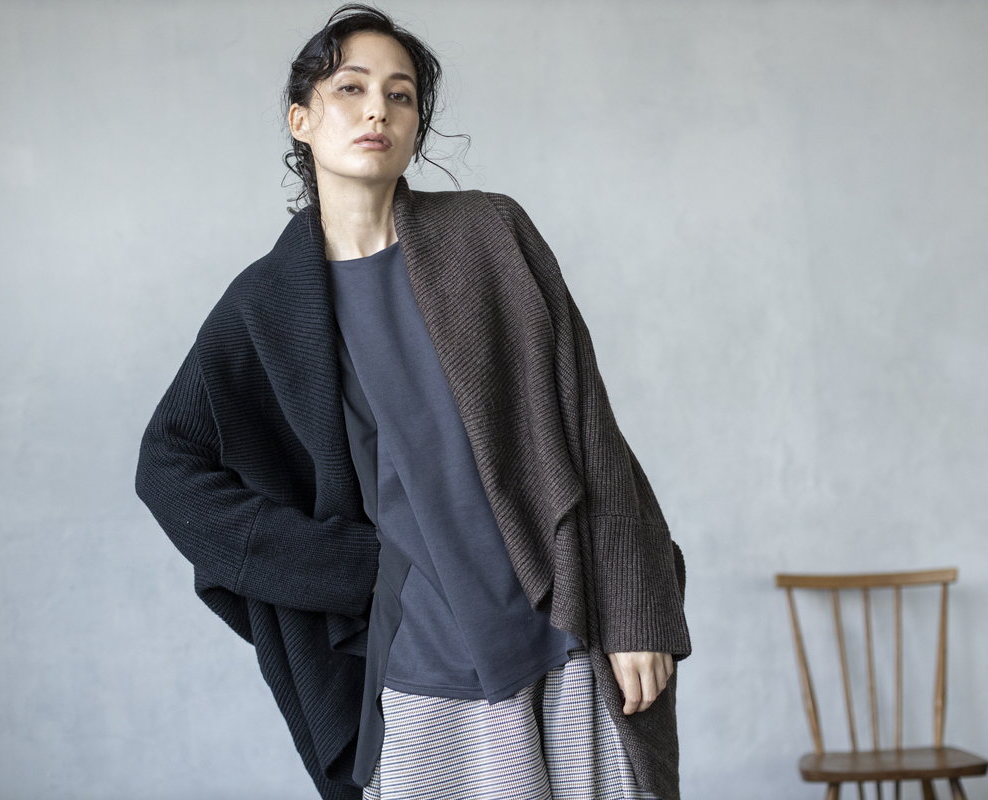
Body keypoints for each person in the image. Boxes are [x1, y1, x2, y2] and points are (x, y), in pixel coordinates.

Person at [134, 4, 692, 799]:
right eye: (351, 88)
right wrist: (348, 569)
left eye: (400, 96)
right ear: (300, 119)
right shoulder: (267, 303)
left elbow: (591, 429)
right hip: (424, 666)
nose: (378, 110)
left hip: (568, 633)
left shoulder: (489, 234)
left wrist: (637, 610)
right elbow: (168, 464)